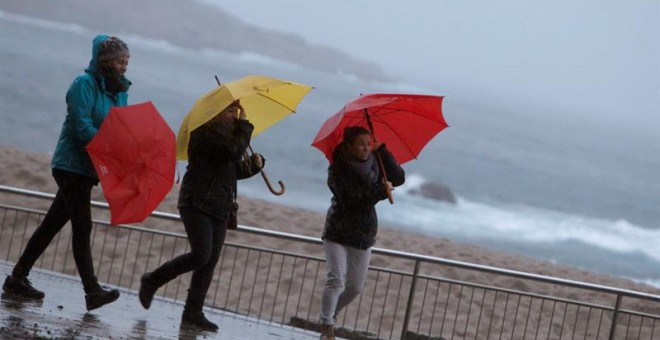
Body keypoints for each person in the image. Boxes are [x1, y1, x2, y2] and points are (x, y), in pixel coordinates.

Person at [2, 35, 131, 311]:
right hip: (71, 164)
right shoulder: (82, 84)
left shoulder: (120, 91)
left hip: (91, 168)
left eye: (127, 62)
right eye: (121, 61)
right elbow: (80, 125)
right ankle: (92, 291)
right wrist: (107, 146)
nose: (125, 67)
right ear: (106, 60)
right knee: (82, 226)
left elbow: (120, 127)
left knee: (51, 225)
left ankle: (17, 277)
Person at [138, 100, 264, 332]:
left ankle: (193, 311)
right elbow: (228, 152)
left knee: (210, 261)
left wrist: (253, 166)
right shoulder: (204, 133)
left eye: (234, 110)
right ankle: (153, 279)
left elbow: (229, 171)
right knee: (201, 254)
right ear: (214, 112)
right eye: (228, 110)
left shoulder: (230, 136)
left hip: (220, 204)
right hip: (197, 201)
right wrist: (245, 128)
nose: (234, 114)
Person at [318, 126, 405, 340]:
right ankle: (327, 326)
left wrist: (383, 151)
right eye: (361, 144)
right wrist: (380, 192)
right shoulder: (337, 169)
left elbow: (399, 178)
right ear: (349, 146)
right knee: (336, 279)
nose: (366, 148)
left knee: (355, 287)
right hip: (338, 231)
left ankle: (330, 315)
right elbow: (352, 198)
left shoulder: (377, 161)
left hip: (363, 233)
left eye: (369, 143)